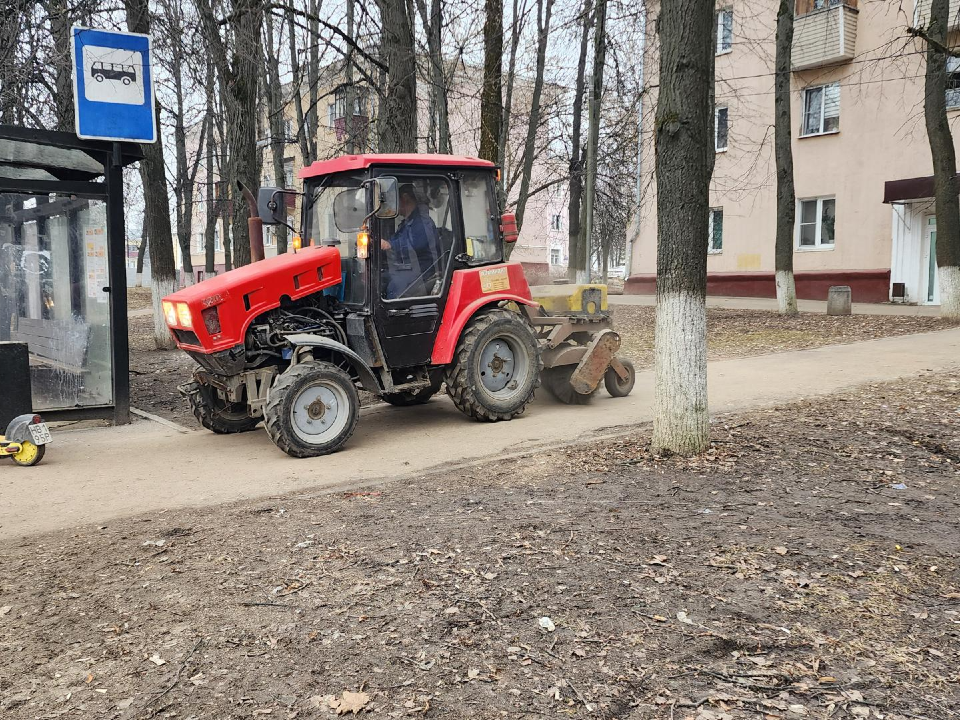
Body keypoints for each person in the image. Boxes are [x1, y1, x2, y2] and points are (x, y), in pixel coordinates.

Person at [381, 184, 441, 299]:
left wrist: (389, 245)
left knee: (395, 286)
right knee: (380, 278)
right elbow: (397, 240)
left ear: (405, 198)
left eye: (395, 201)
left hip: (422, 271)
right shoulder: (407, 223)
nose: (393, 206)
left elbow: (415, 245)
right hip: (408, 268)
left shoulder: (423, 221)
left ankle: (392, 315)